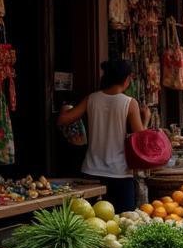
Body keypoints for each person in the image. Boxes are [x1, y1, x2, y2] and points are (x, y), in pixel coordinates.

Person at [57, 59, 150, 212]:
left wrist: (64, 108)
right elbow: (141, 139)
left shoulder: (92, 98)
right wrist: (146, 118)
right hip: (119, 173)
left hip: (91, 172)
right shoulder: (129, 103)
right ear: (126, 79)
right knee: (123, 223)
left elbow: (63, 120)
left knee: (91, 223)